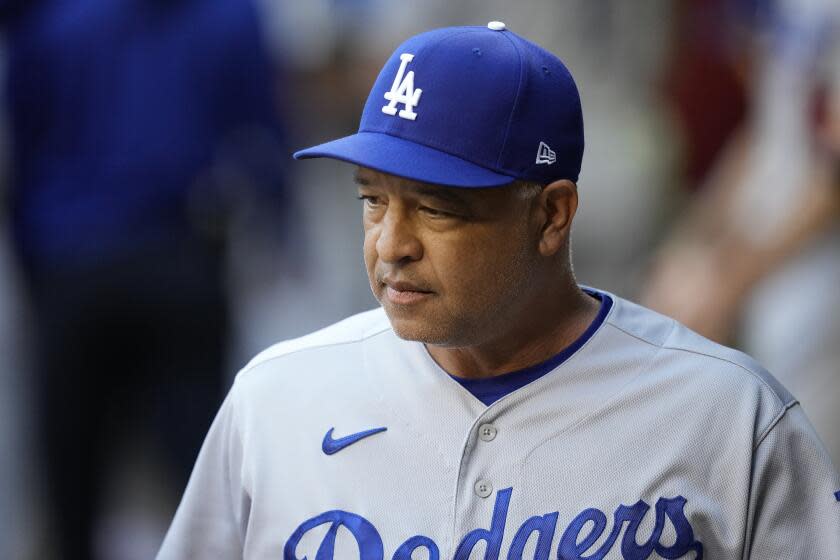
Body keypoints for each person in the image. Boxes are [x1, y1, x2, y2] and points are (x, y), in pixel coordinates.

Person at [158, 23, 840, 559]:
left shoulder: (728, 418)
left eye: (435, 208)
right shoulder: (274, 400)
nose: (390, 243)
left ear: (551, 216)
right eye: (372, 200)